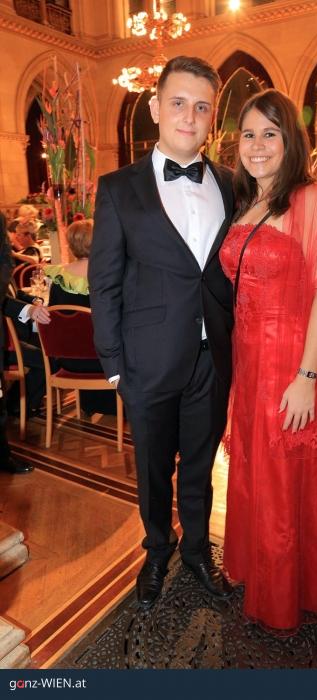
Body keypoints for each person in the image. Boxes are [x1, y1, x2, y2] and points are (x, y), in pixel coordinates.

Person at [89, 56, 235, 609]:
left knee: (200, 463)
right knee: (153, 469)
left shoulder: (231, 184)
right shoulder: (117, 188)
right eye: (178, 103)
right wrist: (114, 365)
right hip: (146, 360)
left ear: (212, 117)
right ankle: (157, 550)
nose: (189, 117)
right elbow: (104, 283)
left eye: (201, 107)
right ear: (154, 108)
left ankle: (196, 549)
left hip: (212, 358)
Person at [219, 89, 317, 632]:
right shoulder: (245, 201)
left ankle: (299, 592)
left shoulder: (311, 199)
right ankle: (261, 571)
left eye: (270, 134)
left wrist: (306, 376)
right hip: (249, 361)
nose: (257, 146)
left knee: (294, 482)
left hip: (293, 362)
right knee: (257, 474)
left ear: (290, 141)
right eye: (248, 135)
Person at [45, 219, 116, 416]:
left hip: (69, 361)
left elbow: (54, 323)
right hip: (106, 361)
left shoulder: (59, 278)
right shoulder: (110, 277)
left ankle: (88, 404)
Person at [0, 212, 49, 473]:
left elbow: (7, 294)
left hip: (10, 338)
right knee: (42, 359)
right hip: (11, 343)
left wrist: (30, 306)